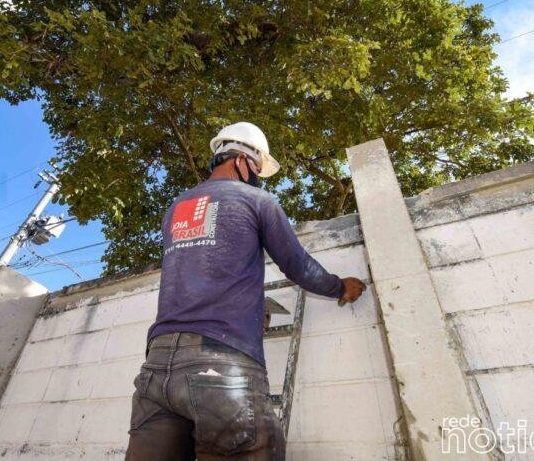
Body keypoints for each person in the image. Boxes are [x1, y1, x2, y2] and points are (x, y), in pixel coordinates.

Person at [125, 122, 366, 460]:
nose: (257, 177)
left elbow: (204, 271)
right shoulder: (257, 200)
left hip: (156, 368)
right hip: (221, 365)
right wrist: (338, 286)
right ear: (241, 159)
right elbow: (297, 265)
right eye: (256, 168)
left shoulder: (175, 209)